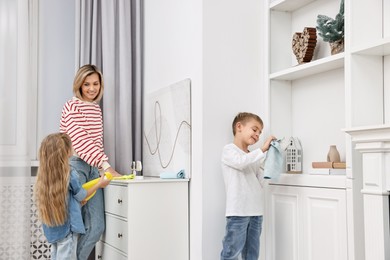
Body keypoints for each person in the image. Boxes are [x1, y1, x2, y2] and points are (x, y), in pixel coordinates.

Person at [59, 64, 121, 259]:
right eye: (87, 84)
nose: (92, 88)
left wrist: (100, 167)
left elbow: (96, 142)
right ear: (79, 84)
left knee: (96, 226)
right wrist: (107, 165)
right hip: (75, 167)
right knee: (71, 229)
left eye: (96, 84)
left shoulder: (95, 109)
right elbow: (80, 139)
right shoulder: (71, 106)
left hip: (93, 168)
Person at [34, 133, 111, 260]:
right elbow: (82, 195)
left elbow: (65, 199)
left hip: (53, 232)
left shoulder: (44, 179)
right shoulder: (70, 174)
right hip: (68, 230)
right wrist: (99, 184)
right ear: (65, 152)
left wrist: (77, 205)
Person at [220, 112, 276, 260]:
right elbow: (241, 162)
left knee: (252, 255)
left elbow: (259, 182)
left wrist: (269, 160)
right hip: (238, 212)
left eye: (260, 132)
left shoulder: (253, 156)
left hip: (256, 212)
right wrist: (262, 150)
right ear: (239, 127)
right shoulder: (229, 150)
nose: (257, 135)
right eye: (255, 129)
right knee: (231, 254)